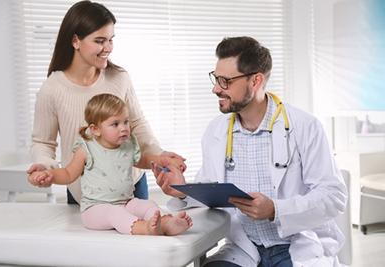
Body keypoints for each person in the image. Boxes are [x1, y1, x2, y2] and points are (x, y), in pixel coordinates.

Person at [153, 37, 348, 266]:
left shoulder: (305, 127)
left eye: (225, 81)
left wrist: (275, 209)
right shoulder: (216, 132)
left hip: (295, 246)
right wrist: (183, 191)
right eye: (216, 79)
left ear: (255, 81)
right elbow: (211, 192)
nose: (216, 88)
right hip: (243, 246)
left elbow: (333, 196)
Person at [26, 0, 185, 204]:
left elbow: (137, 124)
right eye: (100, 41)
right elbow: (43, 142)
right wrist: (44, 166)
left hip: (130, 185)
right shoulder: (52, 89)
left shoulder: (119, 77)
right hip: (85, 191)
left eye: (111, 40)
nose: (108, 48)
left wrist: (159, 155)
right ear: (76, 41)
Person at [29, 94, 192, 235]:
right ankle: (145, 229)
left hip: (126, 202)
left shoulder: (128, 144)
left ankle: (165, 223)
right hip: (95, 209)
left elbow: (141, 160)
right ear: (95, 129)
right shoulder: (87, 149)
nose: (124, 128)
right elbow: (68, 174)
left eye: (126, 122)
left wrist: (162, 160)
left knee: (147, 205)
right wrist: (51, 176)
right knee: (115, 214)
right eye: (115, 124)